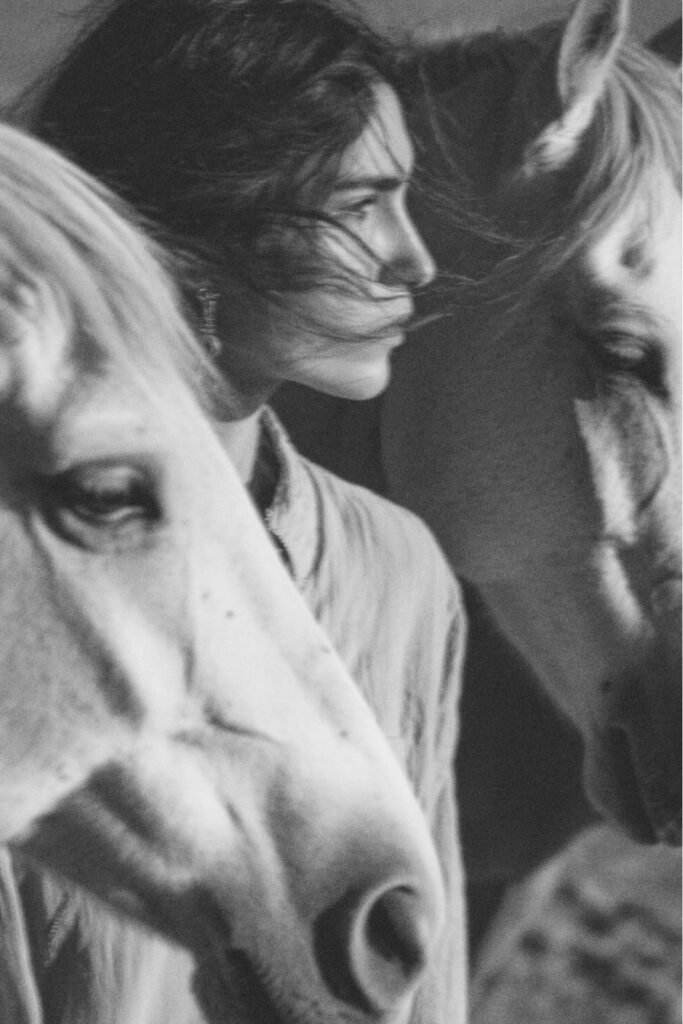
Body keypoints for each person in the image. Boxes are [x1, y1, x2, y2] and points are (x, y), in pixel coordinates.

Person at [7, 1, 468, 1021]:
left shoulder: (401, 570)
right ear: (204, 225)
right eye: (362, 204)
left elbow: (425, 975)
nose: (414, 260)